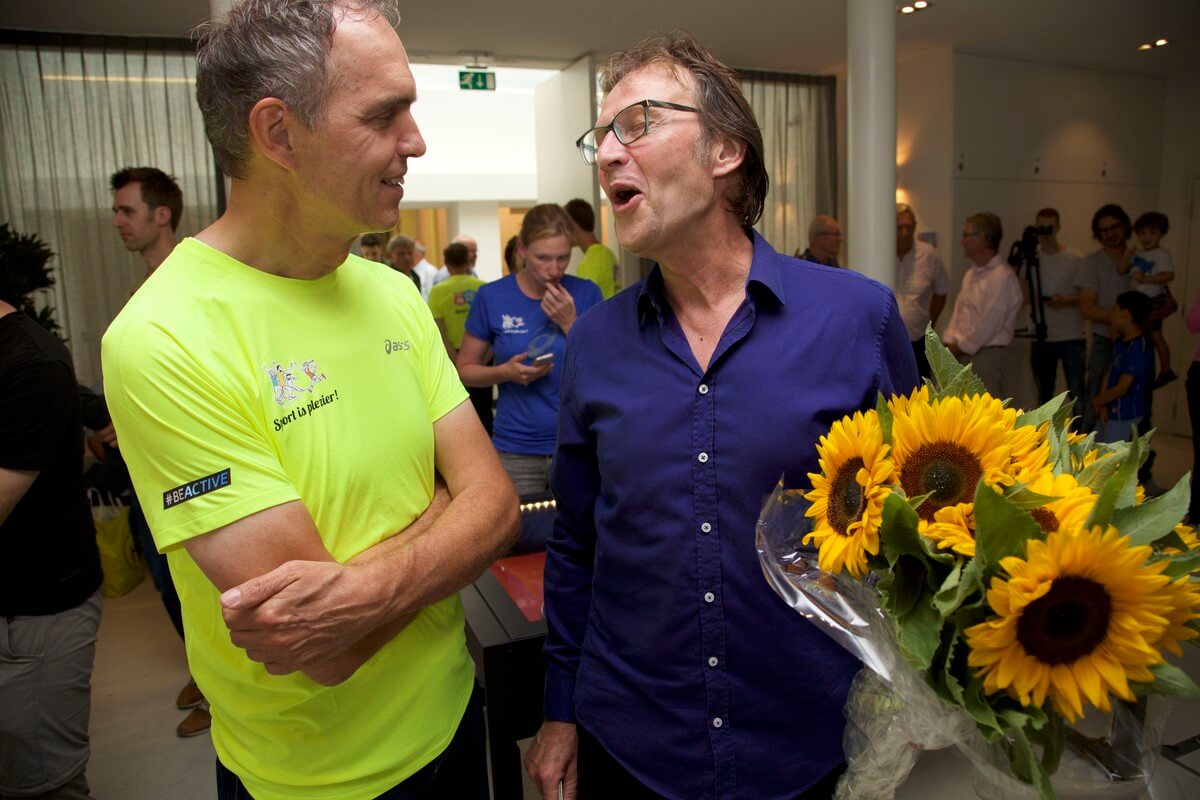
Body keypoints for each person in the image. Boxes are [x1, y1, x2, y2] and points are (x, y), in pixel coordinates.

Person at [101, 2, 519, 798]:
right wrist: (445, 518)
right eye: (384, 115)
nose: (416, 142)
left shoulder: (392, 295)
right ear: (278, 133)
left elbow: (497, 508)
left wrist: (366, 588)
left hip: (456, 718)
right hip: (312, 781)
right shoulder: (164, 338)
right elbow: (322, 649)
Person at [524, 31, 917, 800]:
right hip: (632, 743)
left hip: (809, 742)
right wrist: (559, 711)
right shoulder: (595, 341)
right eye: (598, 137)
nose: (607, 155)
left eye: (634, 124)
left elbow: (921, 529)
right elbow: (575, 544)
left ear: (725, 150)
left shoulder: (857, 318)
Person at [111, 165, 212, 737]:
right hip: (149, 460)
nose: (118, 222)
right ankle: (204, 669)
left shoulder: (192, 278)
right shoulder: (142, 288)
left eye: (127, 211)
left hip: (192, 465)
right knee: (166, 573)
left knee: (200, 577)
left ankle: (222, 691)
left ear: (161, 214)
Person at [1, 299, 104, 800]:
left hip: (36, 608)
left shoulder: (30, 362)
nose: (117, 223)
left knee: (42, 781)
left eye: (127, 211)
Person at [456, 204, 602, 498]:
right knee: (521, 538)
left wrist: (570, 324)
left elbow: (606, 370)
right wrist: (505, 372)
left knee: (582, 538)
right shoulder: (492, 297)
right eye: (543, 258)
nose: (554, 269)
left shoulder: (586, 293)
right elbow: (465, 370)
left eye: (563, 258)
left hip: (577, 443)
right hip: (516, 448)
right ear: (522, 249)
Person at [942, 212, 1024, 401]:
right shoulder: (971, 274)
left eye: (966, 235)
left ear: (984, 237)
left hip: (985, 358)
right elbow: (959, 314)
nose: (962, 241)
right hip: (960, 354)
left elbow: (986, 326)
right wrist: (948, 341)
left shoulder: (1002, 277)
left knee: (983, 419)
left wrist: (955, 347)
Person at [1077, 204, 1134, 432]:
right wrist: (1125, 320)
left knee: (1136, 400)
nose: (1110, 233)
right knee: (1096, 397)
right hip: (1105, 343)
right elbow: (1088, 309)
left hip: (1137, 343)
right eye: (1104, 230)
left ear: (1126, 227)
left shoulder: (1140, 258)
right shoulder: (1092, 263)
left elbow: (1164, 300)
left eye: (1114, 227)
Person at [429, 242, 490, 434]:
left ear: (446, 264)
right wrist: (482, 359)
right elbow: (492, 328)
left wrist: (457, 362)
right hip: (481, 355)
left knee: (455, 409)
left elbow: (439, 329)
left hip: (451, 356)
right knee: (483, 410)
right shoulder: (483, 287)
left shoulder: (438, 291)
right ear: (468, 261)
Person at [1029, 208, 1085, 408]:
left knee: (1077, 390)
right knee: (1044, 394)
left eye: (1049, 228)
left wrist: (1066, 300)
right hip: (1043, 335)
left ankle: (1081, 434)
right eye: (1040, 228)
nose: (1044, 233)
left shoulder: (1075, 258)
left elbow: (1087, 296)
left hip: (1071, 335)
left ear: (1058, 228)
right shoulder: (1032, 259)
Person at [894, 202, 949, 380]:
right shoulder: (878, 254)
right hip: (888, 342)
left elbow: (942, 291)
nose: (904, 233)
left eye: (908, 227)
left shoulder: (929, 254)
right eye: (899, 227)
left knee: (921, 394)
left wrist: (929, 321)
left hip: (918, 342)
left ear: (915, 227)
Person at [1093, 292, 1154, 443]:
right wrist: (1103, 405)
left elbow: (1123, 387)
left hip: (1125, 415)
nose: (1111, 315)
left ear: (1125, 313)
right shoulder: (1121, 342)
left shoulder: (1140, 347)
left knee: (1112, 459)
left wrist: (1099, 400)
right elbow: (1110, 373)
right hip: (1109, 411)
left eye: (1115, 309)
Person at [1130, 211, 1176, 387]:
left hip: (1152, 300)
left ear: (1161, 233)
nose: (1146, 237)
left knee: (1152, 335)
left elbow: (1169, 275)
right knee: (1151, 336)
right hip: (1141, 299)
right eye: (1142, 233)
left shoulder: (1161, 254)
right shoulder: (1140, 253)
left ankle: (1165, 370)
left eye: (1152, 232)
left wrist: (1146, 279)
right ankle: (1163, 370)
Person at [565, 197, 621, 298]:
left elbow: (585, 306)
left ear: (571, 224)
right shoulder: (608, 254)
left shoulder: (589, 263)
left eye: (563, 225)